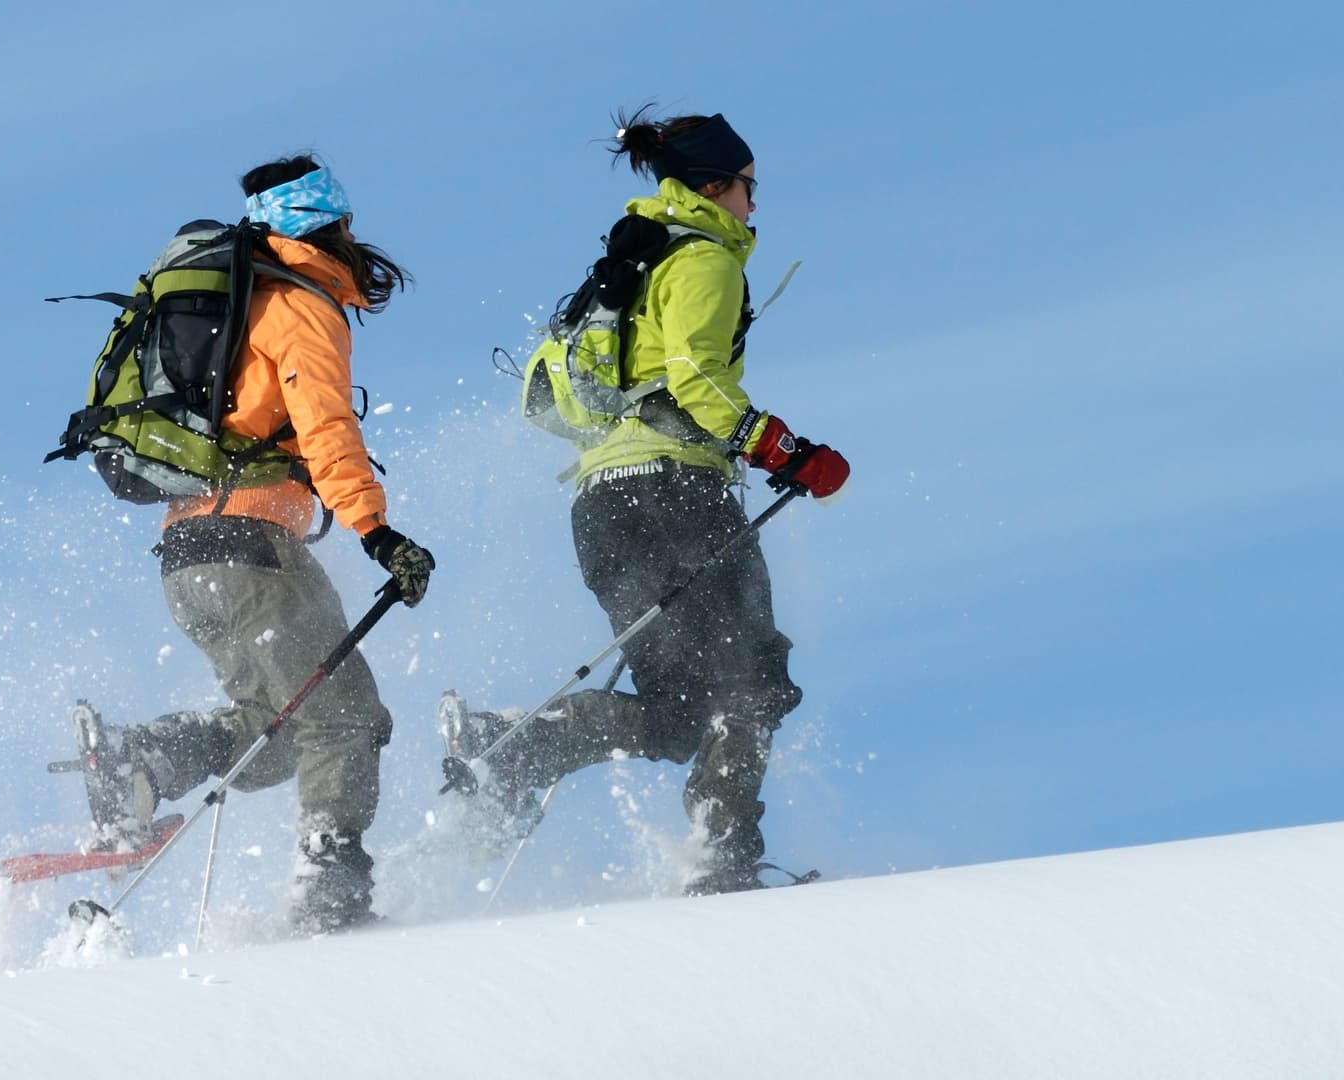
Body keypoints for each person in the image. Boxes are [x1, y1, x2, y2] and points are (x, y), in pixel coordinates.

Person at [446, 109, 848, 895]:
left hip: (601, 503)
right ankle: (721, 856)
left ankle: (508, 748)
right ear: (713, 186)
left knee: (676, 709)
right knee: (752, 680)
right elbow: (696, 379)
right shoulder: (703, 260)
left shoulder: (621, 267)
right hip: (679, 494)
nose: (754, 205)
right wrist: (783, 451)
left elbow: (542, 404)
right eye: (748, 187)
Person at [80, 156, 434, 934]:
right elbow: (326, 426)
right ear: (324, 225)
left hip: (189, 556)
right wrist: (377, 532)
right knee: (344, 719)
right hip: (251, 553)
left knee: (278, 728)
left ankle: (147, 762)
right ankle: (329, 888)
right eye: (344, 222)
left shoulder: (241, 304)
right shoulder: (299, 305)